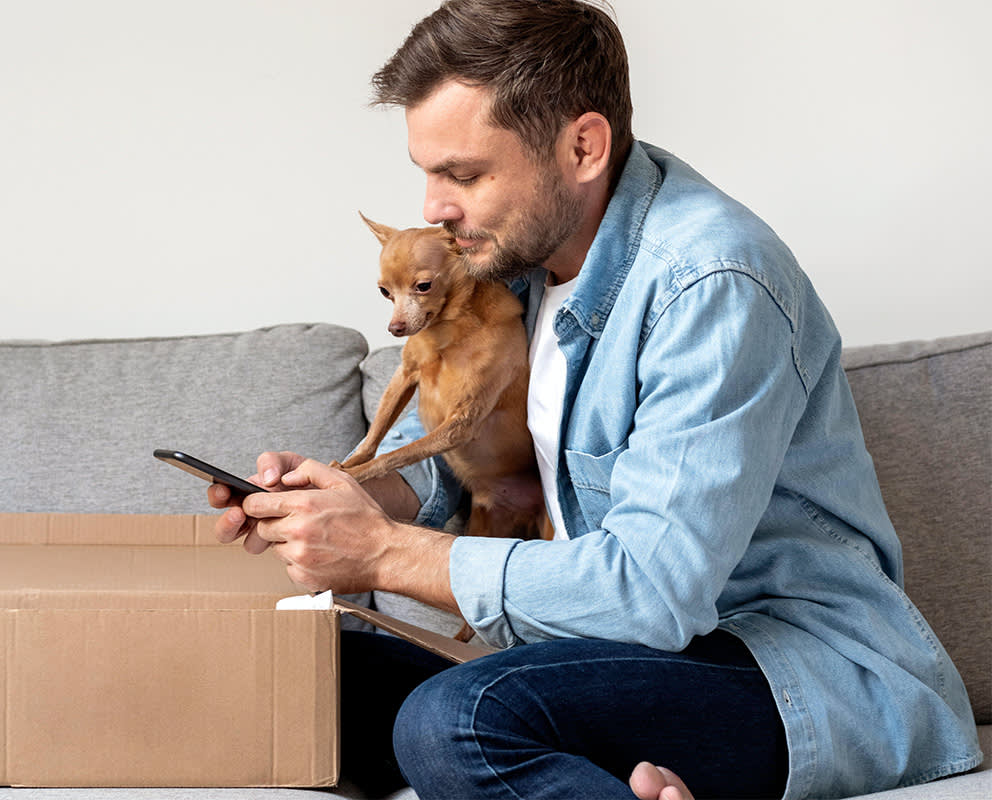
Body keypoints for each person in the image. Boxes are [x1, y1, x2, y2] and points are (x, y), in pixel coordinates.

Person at [210, 1, 982, 798]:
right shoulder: (509, 261)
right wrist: (341, 501)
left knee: (453, 722)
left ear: (583, 147)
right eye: (429, 173)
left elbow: (654, 591)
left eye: (464, 175)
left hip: (782, 662)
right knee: (313, 678)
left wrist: (383, 555)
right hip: (609, 654)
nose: (435, 206)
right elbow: (451, 460)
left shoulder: (712, 282)